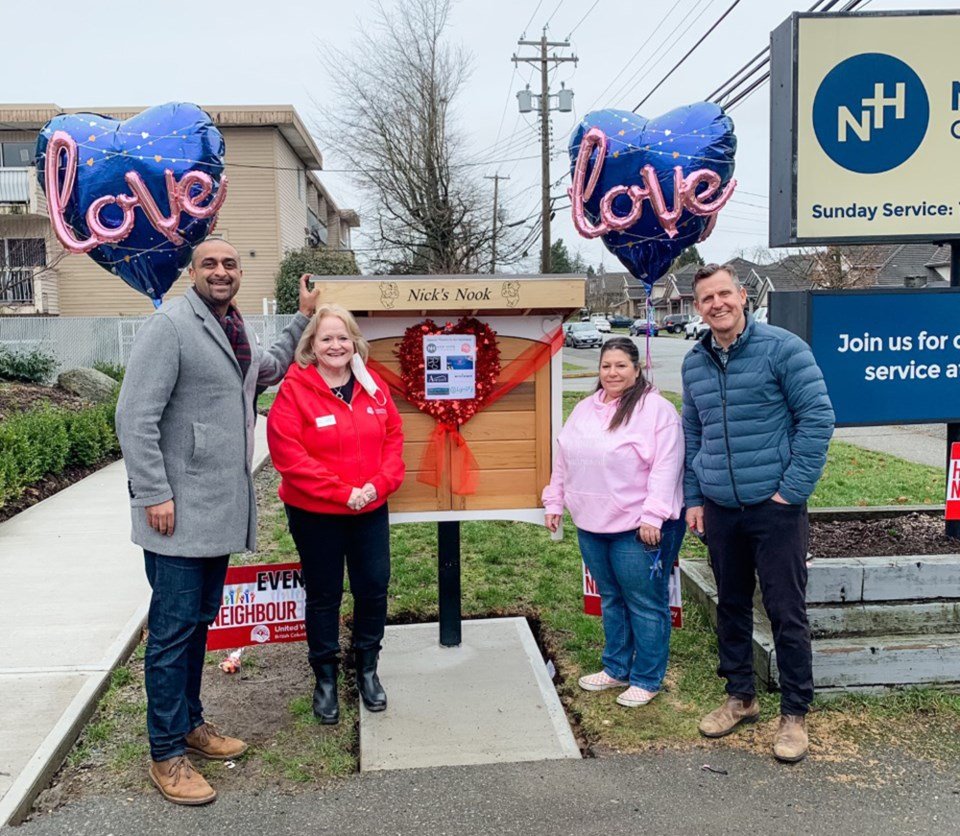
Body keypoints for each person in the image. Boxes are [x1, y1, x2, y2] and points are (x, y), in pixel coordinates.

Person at [115, 240, 318, 805]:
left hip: (216, 509)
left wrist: (301, 316)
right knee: (173, 632)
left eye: (230, 264)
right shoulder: (172, 326)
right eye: (211, 263)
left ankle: (190, 724)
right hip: (176, 513)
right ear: (193, 271)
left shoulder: (233, 328)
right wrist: (153, 492)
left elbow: (267, 367)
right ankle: (165, 755)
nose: (222, 271)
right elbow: (133, 416)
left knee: (199, 624)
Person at [681, 262, 834, 763]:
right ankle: (740, 697)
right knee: (731, 604)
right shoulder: (693, 363)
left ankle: (794, 713)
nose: (717, 304)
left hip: (776, 509)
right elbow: (693, 433)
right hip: (721, 509)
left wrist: (791, 491)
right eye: (707, 298)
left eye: (724, 293)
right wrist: (694, 498)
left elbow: (817, 417)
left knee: (786, 611)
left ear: (743, 295)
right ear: (697, 306)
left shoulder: (784, 349)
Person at [266, 304, 405, 725]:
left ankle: (367, 669)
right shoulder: (295, 389)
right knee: (325, 594)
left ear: (354, 342)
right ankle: (324, 677)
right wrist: (342, 493)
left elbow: (394, 438)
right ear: (311, 344)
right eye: (326, 338)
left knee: (373, 587)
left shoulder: (371, 384)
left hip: (369, 508)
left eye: (343, 337)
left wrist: (378, 486)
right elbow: (288, 455)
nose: (335, 345)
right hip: (316, 513)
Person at [542, 336, 685, 708]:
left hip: (638, 527)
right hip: (591, 524)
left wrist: (653, 514)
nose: (612, 372)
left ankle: (647, 678)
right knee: (611, 598)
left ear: (637, 370)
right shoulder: (585, 409)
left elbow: (667, 466)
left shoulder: (657, 411)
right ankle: (617, 667)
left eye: (621, 365)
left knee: (644, 602)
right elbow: (565, 457)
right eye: (606, 365)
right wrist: (555, 500)